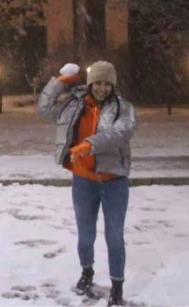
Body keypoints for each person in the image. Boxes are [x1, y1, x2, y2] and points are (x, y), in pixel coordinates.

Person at [37, 61, 136, 307]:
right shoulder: (73, 104)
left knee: (114, 237)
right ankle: (87, 272)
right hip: (83, 181)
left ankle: (117, 285)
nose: (102, 88)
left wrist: (89, 145)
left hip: (114, 181)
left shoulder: (124, 108)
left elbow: (119, 134)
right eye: (97, 82)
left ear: (113, 85)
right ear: (90, 83)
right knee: (85, 235)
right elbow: (44, 108)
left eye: (107, 83)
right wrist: (60, 81)